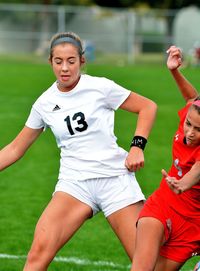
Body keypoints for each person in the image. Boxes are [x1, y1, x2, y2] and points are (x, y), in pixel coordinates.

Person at [0, 31, 157, 270]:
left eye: (71, 61)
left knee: (147, 262)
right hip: (74, 184)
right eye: (58, 61)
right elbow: (14, 148)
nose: (65, 68)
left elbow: (147, 106)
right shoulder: (44, 103)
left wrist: (137, 147)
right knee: (37, 255)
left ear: (82, 61)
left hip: (114, 179)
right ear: (50, 62)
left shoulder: (100, 87)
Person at [131, 45, 200, 271]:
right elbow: (192, 97)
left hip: (192, 222)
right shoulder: (192, 112)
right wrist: (174, 70)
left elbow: (196, 171)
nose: (189, 132)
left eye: (198, 130)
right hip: (164, 202)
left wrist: (182, 184)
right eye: (188, 124)